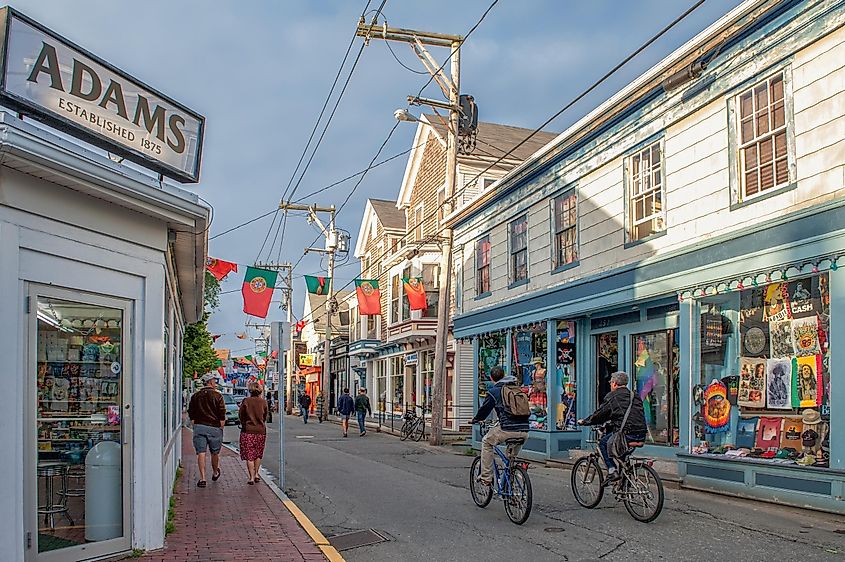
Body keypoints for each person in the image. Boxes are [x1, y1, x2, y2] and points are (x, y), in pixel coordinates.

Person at [578, 371, 647, 483]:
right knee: (620, 452)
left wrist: (585, 421)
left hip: (626, 434)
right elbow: (632, 415)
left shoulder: (612, 396)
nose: (610, 385)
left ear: (614, 383)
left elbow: (600, 414)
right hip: (641, 433)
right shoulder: (634, 395)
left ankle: (612, 470)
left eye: (611, 383)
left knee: (602, 444)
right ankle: (625, 481)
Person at [470, 366, 530, 486]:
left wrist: (476, 419)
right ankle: (511, 486)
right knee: (510, 459)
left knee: (487, 442)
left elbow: (485, 409)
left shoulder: (494, 391)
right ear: (504, 375)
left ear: (491, 378)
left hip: (507, 429)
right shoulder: (516, 388)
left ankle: (486, 477)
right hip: (524, 430)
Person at [187, 373, 226, 488]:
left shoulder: (195, 396)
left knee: (201, 452)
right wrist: (221, 426)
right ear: (210, 382)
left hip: (199, 426)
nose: (215, 383)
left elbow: (191, 411)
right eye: (214, 381)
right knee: (215, 452)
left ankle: (203, 478)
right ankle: (215, 472)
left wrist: (194, 423)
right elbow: (222, 412)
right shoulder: (218, 396)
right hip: (214, 427)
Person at [239, 382, 268, 485]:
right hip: (260, 430)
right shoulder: (263, 402)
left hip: (248, 430)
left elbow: (241, 415)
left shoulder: (246, 401)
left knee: (249, 454)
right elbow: (265, 417)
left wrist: (244, 423)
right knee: (258, 453)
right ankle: (256, 473)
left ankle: (251, 477)